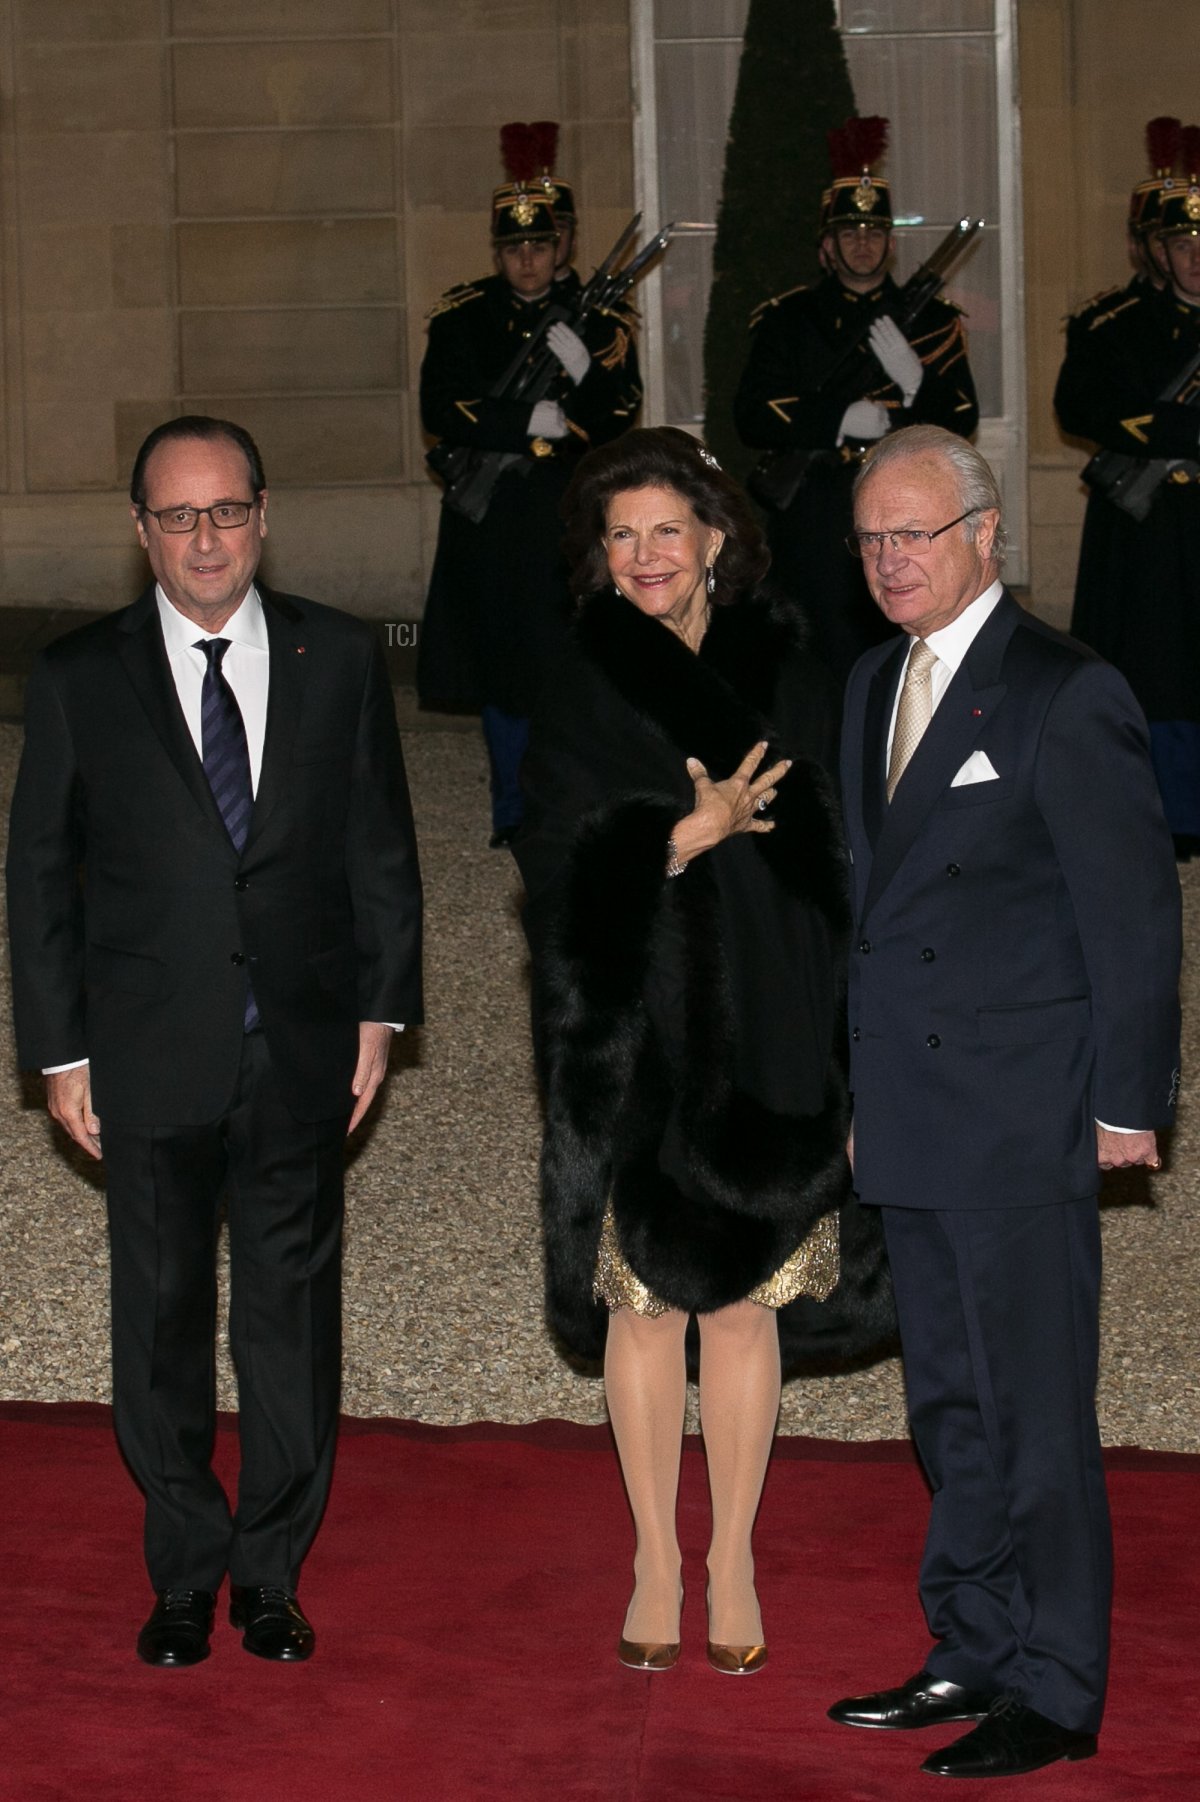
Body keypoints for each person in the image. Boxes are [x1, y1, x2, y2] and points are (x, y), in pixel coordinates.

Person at [6, 416, 424, 1668]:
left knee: (289, 1325)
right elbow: (39, 876)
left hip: (300, 1050)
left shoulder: (339, 655)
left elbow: (381, 851)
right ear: (141, 530)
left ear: (262, 516)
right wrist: (58, 1053)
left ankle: (270, 1574)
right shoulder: (82, 674)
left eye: (228, 510)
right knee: (163, 1320)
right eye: (179, 516)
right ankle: (184, 1568)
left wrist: (381, 1014)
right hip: (146, 1053)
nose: (207, 537)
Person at [514, 427, 894, 1678]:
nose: (643, 555)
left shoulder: (792, 661)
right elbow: (557, 862)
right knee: (640, 1307)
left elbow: (840, 848)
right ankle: (652, 1559)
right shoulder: (577, 672)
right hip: (634, 1032)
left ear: (717, 538)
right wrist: (686, 831)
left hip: (775, 1019)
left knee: (738, 1303)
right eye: (619, 534)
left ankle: (729, 1550)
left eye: (665, 530)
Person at [830, 425, 1180, 1778]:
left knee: (1036, 1410)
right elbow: (870, 913)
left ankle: (1058, 1679)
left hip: (1023, 1110)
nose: (888, 561)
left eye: (912, 534)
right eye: (868, 539)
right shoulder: (869, 683)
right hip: (915, 1105)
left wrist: (1127, 1100)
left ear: (986, 534)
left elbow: (1133, 918)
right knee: (949, 1405)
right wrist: (862, 1093)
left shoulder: (1063, 689)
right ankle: (969, 1639)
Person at [417, 122, 642, 847]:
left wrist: (585, 372)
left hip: (567, 514)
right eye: (514, 248)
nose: (527, 260)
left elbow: (619, 415)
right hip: (494, 522)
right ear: (498, 252)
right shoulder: (463, 316)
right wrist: (523, 421)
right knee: (501, 666)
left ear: (561, 246)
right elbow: (440, 406)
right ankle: (513, 808)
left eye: (540, 246)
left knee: (574, 661)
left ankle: (575, 795)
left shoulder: (598, 323)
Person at [734, 115, 978, 685]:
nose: (862, 244)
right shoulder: (790, 320)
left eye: (873, 233)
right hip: (820, 510)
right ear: (826, 247)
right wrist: (837, 420)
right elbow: (751, 412)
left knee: (908, 650)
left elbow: (962, 418)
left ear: (892, 244)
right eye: (848, 233)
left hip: (909, 510)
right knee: (817, 660)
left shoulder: (934, 321)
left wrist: (915, 384)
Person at [1055, 124, 1200, 859]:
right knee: (1151, 668)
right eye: (1183, 246)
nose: (1196, 259)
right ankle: (1160, 811)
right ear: (1157, 249)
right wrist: (1180, 430)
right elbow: (1079, 408)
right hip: (1146, 531)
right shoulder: (1112, 324)